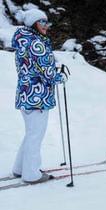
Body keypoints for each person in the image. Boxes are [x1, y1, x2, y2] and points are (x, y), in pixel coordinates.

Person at [12, 9, 66, 183]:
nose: (46, 26)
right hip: (37, 97)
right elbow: (46, 72)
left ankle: (20, 168)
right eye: (42, 22)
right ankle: (31, 174)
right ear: (34, 23)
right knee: (35, 135)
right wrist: (60, 76)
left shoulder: (24, 41)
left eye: (47, 22)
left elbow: (34, 67)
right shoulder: (37, 43)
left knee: (31, 133)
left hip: (25, 94)